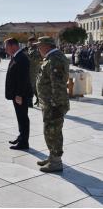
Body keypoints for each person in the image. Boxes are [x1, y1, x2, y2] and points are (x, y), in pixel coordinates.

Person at [35, 36, 70, 172]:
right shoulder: (52, 57)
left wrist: (56, 105)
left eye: (40, 45)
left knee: (53, 132)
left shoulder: (55, 59)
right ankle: (52, 156)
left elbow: (58, 84)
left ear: (47, 46)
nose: (38, 48)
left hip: (53, 104)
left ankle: (56, 162)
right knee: (50, 131)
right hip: (49, 103)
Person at [4, 37, 33, 150]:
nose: (5, 49)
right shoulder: (17, 56)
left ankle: (24, 142)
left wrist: (19, 94)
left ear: (13, 46)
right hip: (17, 93)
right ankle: (21, 136)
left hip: (21, 95)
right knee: (20, 117)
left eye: (6, 46)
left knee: (23, 117)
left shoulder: (22, 58)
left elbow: (23, 79)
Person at [27, 36, 42, 107]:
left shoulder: (37, 50)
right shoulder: (30, 49)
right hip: (30, 70)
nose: (29, 43)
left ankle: (30, 102)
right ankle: (39, 99)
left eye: (31, 41)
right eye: (29, 41)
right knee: (34, 86)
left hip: (35, 70)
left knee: (31, 86)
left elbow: (39, 59)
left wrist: (28, 57)